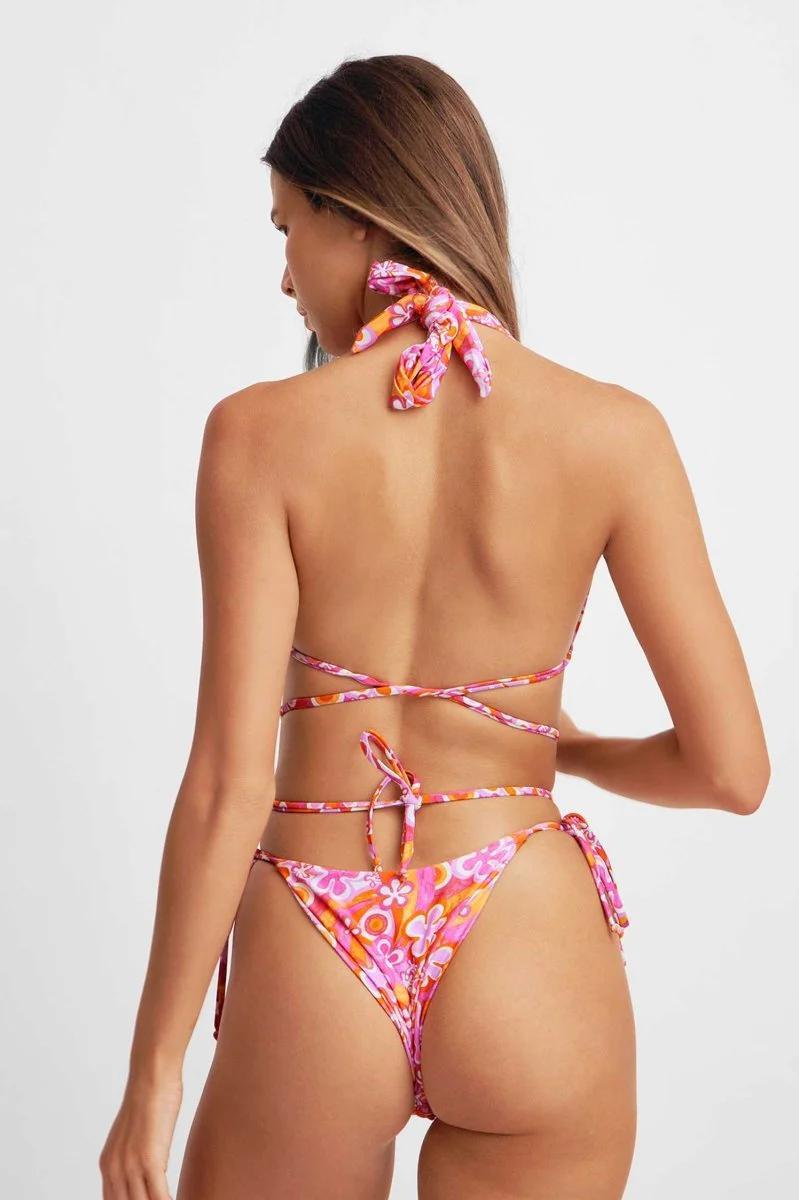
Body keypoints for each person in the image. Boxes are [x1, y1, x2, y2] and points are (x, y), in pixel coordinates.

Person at [99, 54, 770, 1200]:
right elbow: (733, 773)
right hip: (524, 930)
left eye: (288, 228)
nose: (283, 275)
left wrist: (152, 1076)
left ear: (359, 215)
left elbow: (227, 784)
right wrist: (558, 751)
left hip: (313, 934)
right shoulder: (615, 433)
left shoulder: (257, 436)